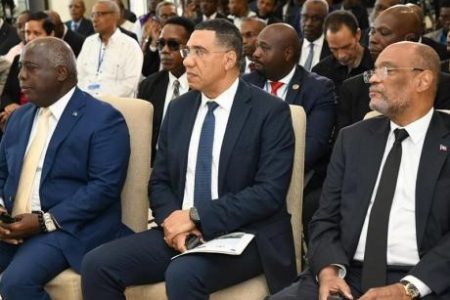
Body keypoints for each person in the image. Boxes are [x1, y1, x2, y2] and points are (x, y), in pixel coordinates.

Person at [81, 19, 297, 299]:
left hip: (245, 234)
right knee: (97, 264)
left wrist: (196, 217)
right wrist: (175, 222)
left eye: (199, 52)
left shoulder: (270, 112)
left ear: (229, 59)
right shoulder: (179, 108)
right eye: (188, 52)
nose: (188, 62)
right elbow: (158, 180)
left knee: (184, 272)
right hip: (181, 228)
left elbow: (269, 193)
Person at [269, 41, 450, 300]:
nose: (373, 79)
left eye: (387, 70)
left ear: (423, 80)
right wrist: (329, 270)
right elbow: (325, 218)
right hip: (346, 273)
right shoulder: (353, 139)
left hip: (426, 280)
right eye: (373, 71)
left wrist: (408, 288)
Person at [0, 37, 131, 300]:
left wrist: (44, 221)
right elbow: (2, 171)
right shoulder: (19, 118)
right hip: (13, 225)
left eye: (31, 67)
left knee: (15, 284)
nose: (22, 76)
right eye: (20, 68)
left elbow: (104, 187)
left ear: (61, 73)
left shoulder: (103, 118)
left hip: (67, 227)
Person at [337, 4, 450, 134]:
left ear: (410, 39)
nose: (373, 39)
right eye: (372, 31)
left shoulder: (442, 85)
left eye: (384, 33)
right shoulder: (353, 88)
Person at [243, 22, 335, 174]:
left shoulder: (318, 89)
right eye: (257, 46)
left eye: (264, 48)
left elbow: (313, 146)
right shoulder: (245, 84)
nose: (256, 53)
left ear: (287, 53)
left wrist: (269, 171)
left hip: (292, 175)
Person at [138, 17, 194, 162]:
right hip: (155, 163)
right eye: (161, 43)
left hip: (189, 162)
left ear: (189, 49)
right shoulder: (148, 85)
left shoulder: (202, 87)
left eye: (173, 45)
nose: (165, 50)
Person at [77, 0, 143, 97]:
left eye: (100, 14)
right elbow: (79, 75)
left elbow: (129, 84)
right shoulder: (88, 42)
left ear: (116, 15)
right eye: (93, 15)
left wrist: (102, 100)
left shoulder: (130, 45)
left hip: (118, 105)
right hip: (87, 103)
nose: (94, 19)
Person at [312, 10, 373, 95]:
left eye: (346, 47)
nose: (341, 56)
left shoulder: (376, 64)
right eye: (334, 49)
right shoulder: (321, 72)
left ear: (357, 35)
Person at [298, 0, 331, 71]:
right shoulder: (292, 47)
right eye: (305, 17)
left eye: (315, 18)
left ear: (325, 21)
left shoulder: (332, 50)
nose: (308, 23)